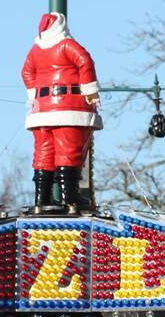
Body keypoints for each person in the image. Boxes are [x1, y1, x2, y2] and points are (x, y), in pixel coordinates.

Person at [21, 11, 103, 214]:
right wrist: (89, 90)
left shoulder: (36, 50)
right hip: (70, 107)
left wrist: (35, 93)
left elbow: (26, 72)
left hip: (41, 110)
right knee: (68, 152)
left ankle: (41, 200)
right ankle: (70, 200)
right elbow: (85, 61)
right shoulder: (67, 45)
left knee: (43, 153)